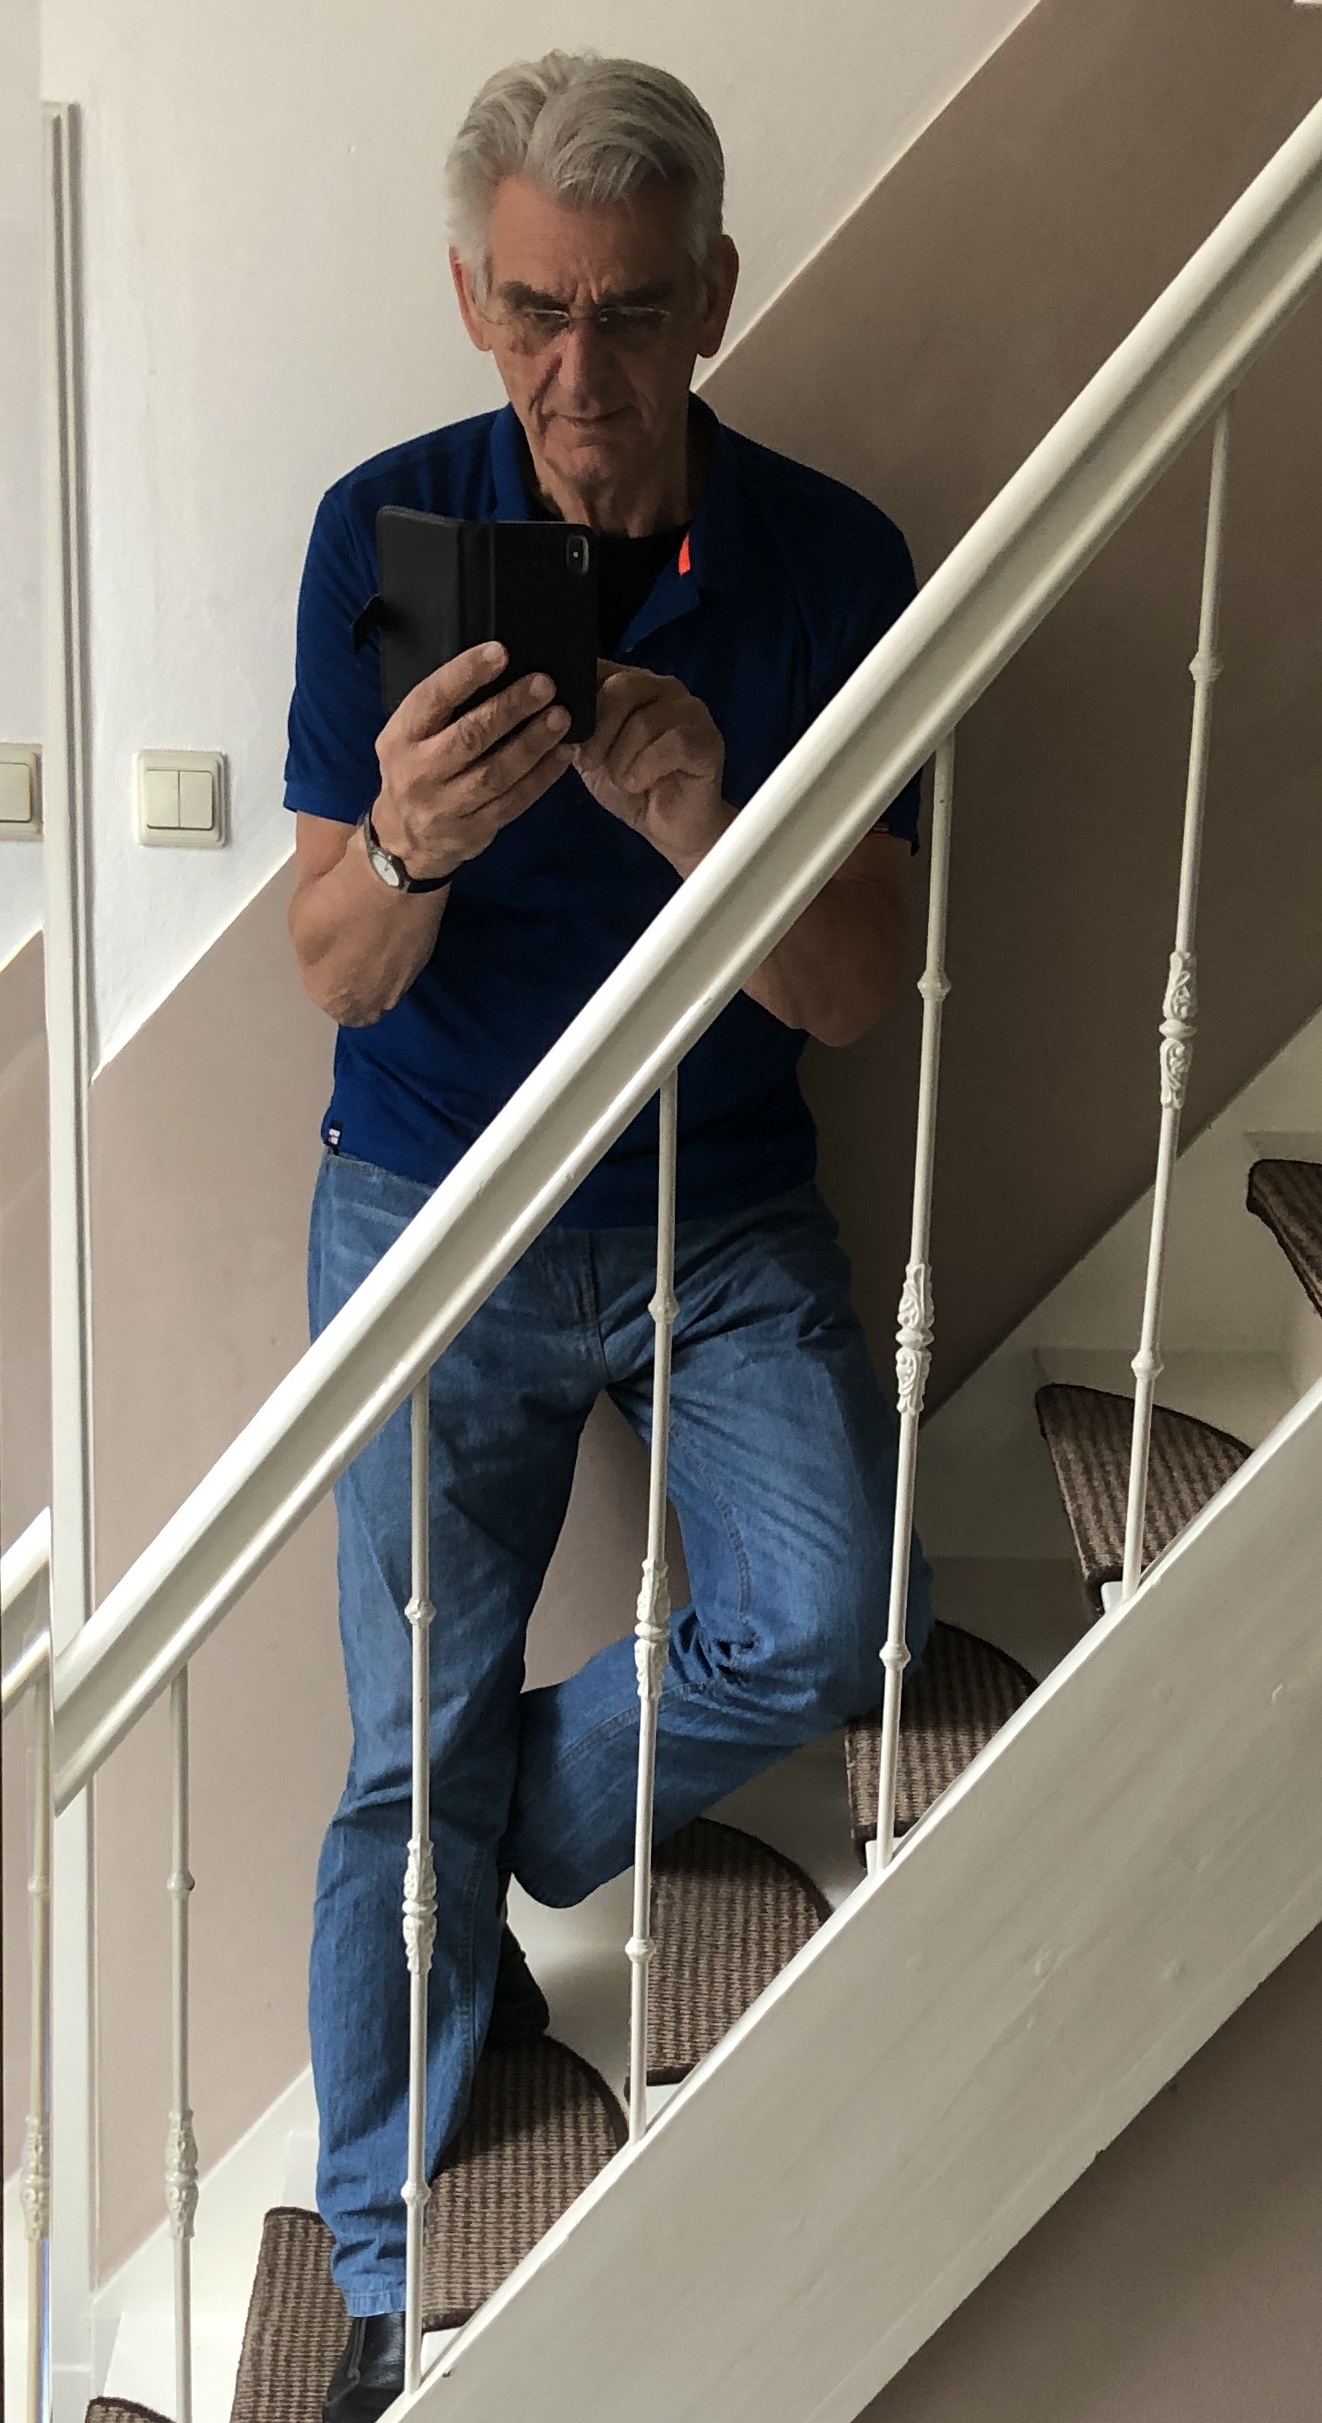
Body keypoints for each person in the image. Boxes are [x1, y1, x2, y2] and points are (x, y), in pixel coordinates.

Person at [285, 49, 933, 2420]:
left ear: (714, 297)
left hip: (716, 1204)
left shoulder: (833, 560)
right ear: (476, 301)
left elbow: (852, 993)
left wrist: (706, 821)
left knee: (829, 1619)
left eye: (633, 312)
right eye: (540, 312)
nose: (583, 371)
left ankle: (512, 1822)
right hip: (433, 1202)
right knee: (399, 1755)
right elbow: (334, 970)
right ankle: (381, 2275)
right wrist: (411, 842)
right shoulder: (379, 533)